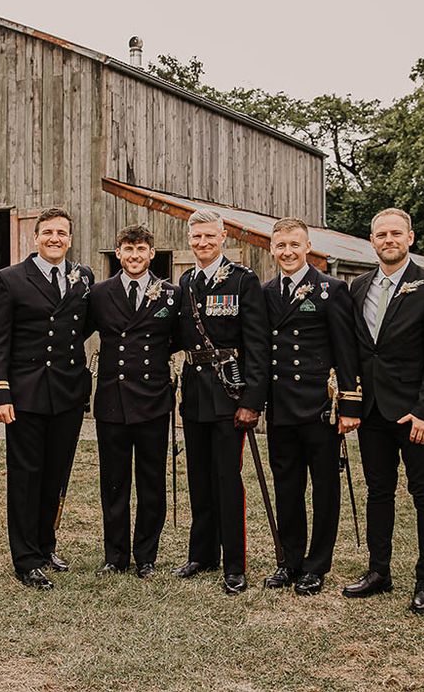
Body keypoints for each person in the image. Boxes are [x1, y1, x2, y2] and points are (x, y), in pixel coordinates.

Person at [343, 208, 424, 614]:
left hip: (414, 413)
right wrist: (350, 402)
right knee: (379, 491)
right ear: (371, 241)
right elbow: (357, 350)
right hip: (372, 411)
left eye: (395, 233)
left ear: (410, 237)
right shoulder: (357, 285)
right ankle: (379, 571)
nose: (388, 240)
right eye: (380, 234)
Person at [0, 207, 93, 590]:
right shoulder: (10, 279)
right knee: (26, 477)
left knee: (56, 475)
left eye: (62, 233)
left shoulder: (83, 277)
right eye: (48, 232)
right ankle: (26, 558)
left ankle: (46, 546)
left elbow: (84, 325)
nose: (55, 239)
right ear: (35, 237)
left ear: (70, 238)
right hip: (25, 394)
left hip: (66, 392)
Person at [262, 217, 361, 595]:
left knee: (324, 489)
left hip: (320, 408)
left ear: (308, 248)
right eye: (281, 245)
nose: (287, 251)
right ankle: (290, 561)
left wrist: (350, 405)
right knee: (287, 487)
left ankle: (316, 566)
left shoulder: (330, 290)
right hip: (282, 408)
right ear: (272, 249)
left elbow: (346, 352)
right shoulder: (268, 291)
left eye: (294, 245)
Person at [172, 209, 270, 595]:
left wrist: (252, 400)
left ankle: (234, 563)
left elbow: (258, 345)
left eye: (209, 237)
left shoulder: (243, 281)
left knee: (227, 479)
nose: (202, 243)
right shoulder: (186, 280)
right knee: (199, 476)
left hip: (230, 395)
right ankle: (202, 554)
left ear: (223, 236)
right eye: (196, 237)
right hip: (195, 394)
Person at [87, 224, 180, 579]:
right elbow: (79, 331)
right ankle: (115, 557)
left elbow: (180, 337)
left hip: (153, 399)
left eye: (141, 249)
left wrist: (155, 362)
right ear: (118, 253)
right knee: (114, 482)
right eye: (128, 249)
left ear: (151, 253)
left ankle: (146, 557)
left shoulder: (170, 294)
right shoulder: (99, 293)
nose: (135, 256)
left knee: (151, 481)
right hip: (112, 399)